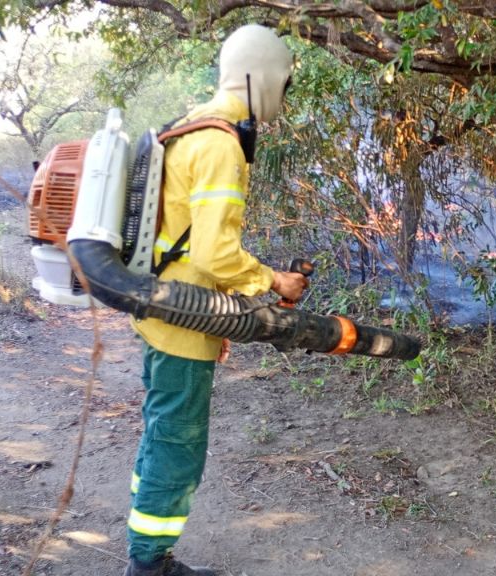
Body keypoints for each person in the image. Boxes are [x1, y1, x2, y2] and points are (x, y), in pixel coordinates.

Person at [123, 24, 308, 576]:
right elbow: (212, 252)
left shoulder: (187, 126)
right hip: (181, 319)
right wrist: (273, 281)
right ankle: (150, 563)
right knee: (177, 446)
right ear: (266, 78)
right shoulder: (220, 142)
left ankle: (145, 547)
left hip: (166, 311)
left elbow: (183, 240)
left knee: (162, 430)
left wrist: (220, 320)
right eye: (286, 83)